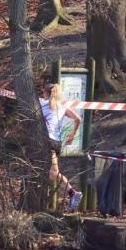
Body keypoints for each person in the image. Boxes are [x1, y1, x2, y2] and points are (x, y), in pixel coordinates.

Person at [41, 82, 83, 211]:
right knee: (49, 172)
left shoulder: (42, 104)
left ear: (46, 93)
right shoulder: (61, 106)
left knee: (53, 173)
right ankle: (44, 200)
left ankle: (73, 193)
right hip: (56, 143)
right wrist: (72, 135)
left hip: (49, 142)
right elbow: (78, 119)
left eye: (43, 92)